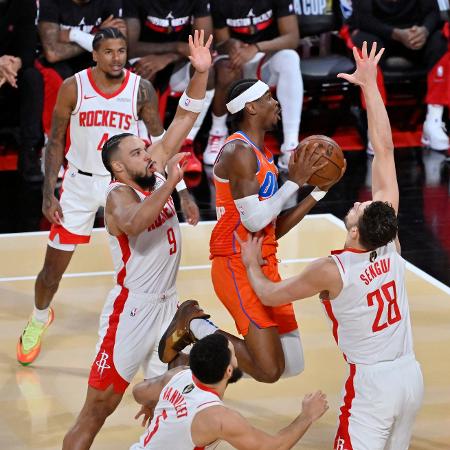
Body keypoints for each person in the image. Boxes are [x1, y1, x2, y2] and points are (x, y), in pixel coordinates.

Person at [238, 42, 424, 450]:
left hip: (373, 385)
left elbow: (268, 292)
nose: (357, 203)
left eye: (357, 209)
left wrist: (251, 263)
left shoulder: (333, 269)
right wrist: (369, 86)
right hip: (411, 377)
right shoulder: (390, 242)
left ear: (356, 232)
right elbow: (386, 149)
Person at [62, 30, 213, 449]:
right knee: (97, 411)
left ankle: (156, 409)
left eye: (144, 148)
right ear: (119, 169)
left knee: (183, 393)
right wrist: (173, 186)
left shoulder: (153, 168)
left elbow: (184, 117)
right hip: (131, 311)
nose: (147, 154)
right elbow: (135, 223)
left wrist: (200, 72)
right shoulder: (118, 196)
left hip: (167, 303)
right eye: (136, 153)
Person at [16, 27, 199, 366]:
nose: (117, 57)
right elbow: (55, 140)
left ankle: (155, 325)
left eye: (121, 50)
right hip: (79, 185)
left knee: (141, 263)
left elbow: (163, 144)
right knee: (52, 270)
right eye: (110, 51)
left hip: (124, 184)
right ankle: (39, 318)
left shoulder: (140, 89)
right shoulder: (74, 87)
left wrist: (183, 192)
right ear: (95, 55)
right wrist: (49, 191)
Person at [158, 80, 344, 383]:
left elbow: (270, 229)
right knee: (269, 370)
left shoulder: (262, 154)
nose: (276, 103)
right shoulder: (238, 151)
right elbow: (255, 222)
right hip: (236, 265)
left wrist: (318, 193)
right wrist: (294, 182)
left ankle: (190, 358)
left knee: (292, 364)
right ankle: (195, 325)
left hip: (262, 260)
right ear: (251, 107)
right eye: (269, 97)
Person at [131, 333, 329, 450]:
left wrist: (153, 403)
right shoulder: (219, 418)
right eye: (234, 352)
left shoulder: (177, 375)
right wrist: (307, 416)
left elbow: (139, 392)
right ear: (229, 370)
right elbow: (273, 447)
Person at [204, 0, 303, 170]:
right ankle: (218, 133)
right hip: (236, 61)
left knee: (290, 58)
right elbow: (221, 44)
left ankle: (290, 145)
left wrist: (256, 47)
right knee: (225, 69)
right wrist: (231, 45)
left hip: (265, 56)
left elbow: (292, 38)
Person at [124, 0, 215, 174]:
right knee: (146, 72)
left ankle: (187, 142)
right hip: (146, 61)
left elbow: (202, 48)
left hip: (177, 63)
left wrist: (168, 57)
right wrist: (176, 47)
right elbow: (131, 47)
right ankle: (143, 140)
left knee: (208, 72)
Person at [350, 0, 449, 152]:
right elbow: (362, 19)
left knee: (441, 41)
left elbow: (433, 12)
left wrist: (425, 30)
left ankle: (433, 121)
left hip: (414, 36)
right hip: (379, 34)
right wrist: (395, 34)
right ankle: (376, 125)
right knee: (364, 45)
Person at [0, 0, 44, 182]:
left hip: (10, 75)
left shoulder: (24, 4)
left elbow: (27, 50)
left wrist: (11, 65)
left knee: (32, 77)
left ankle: (29, 153)